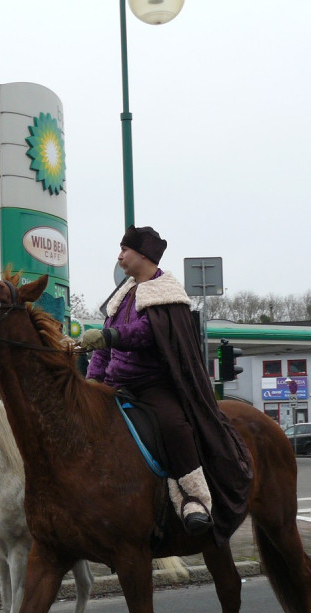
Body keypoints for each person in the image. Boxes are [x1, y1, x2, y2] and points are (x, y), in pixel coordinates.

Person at [79, 225, 252, 538]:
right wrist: (92, 384)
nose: (119, 256)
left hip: (154, 386)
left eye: (124, 250)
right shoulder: (123, 295)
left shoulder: (168, 294)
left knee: (175, 427)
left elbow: (148, 333)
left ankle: (195, 499)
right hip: (117, 386)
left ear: (143, 255)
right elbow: (105, 352)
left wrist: (110, 336)